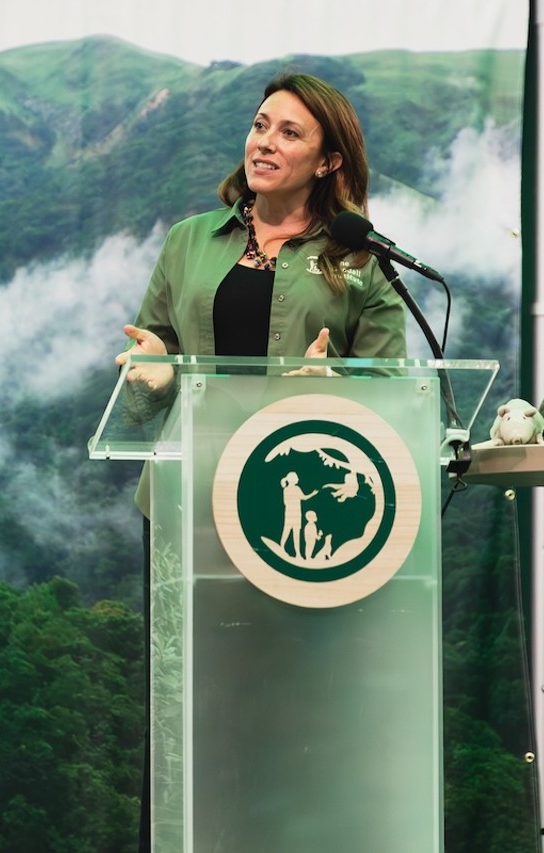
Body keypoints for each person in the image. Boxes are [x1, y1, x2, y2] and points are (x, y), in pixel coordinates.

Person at [116, 72, 407, 851]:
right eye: (259, 124)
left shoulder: (360, 263)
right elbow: (150, 375)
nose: (263, 142)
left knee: (287, 714)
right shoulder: (188, 242)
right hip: (186, 506)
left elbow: (396, 398)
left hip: (298, 520)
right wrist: (148, 372)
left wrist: (335, 389)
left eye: (288, 133)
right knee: (186, 711)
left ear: (328, 163)